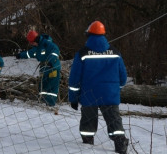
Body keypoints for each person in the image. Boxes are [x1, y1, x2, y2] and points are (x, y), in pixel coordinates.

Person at [68, 21, 129, 154]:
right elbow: (123, 76)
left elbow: (74, 78)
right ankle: (120, 142)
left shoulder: (82, 53)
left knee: (88, 122)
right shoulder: (115, 52)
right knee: (114, 120)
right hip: (110, 94)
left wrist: (73, 98)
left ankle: (87, 143)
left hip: (89, 94)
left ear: (88, 35)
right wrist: (117, 89)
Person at [16, 30, 61, 107]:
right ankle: (43, 102)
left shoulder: (47, 44)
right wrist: (20, 55)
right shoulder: (37, 47)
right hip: (44, 68)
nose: (31, 44)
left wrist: (51, 61)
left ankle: (50, 104)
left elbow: (55, 51)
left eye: (32, 42)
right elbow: (29, 53)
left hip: (52, 67)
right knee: (42, 86)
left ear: (35, 40)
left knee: (52, 86)